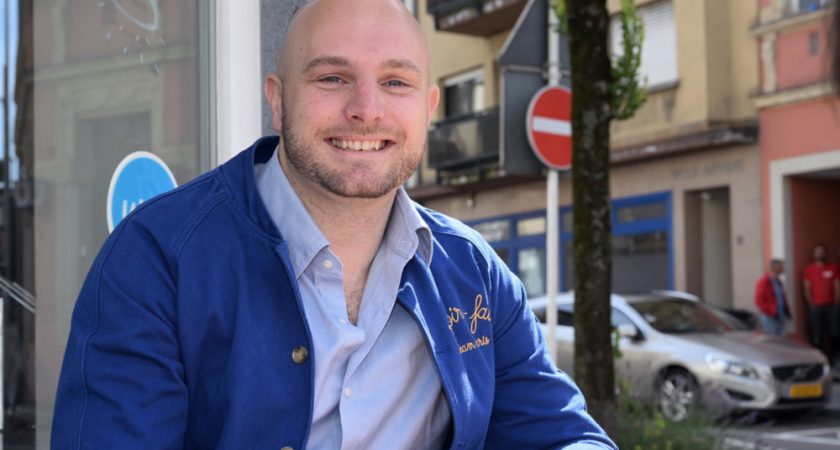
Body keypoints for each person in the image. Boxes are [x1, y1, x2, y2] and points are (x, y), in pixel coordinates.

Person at [50, 0, 616, 448]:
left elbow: (561, 435)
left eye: (396, 82)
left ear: (428, 108)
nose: (367, 108)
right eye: (332, 78)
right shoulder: (156, 259)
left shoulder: (473, 274)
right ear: (278, 101)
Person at [802, 244, 840, 358]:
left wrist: (837, 303)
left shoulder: (834, 267)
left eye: (822, 252)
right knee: (816, 333)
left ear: (826, 254)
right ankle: (819, 357)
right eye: (817, 252)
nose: (820, 254)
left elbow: (837, 285)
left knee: (835, 332)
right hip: (816, 306)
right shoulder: (809, 269)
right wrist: (811, 304)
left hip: (831, 306)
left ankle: (834, 357)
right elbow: (806, 288)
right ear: (814, 254)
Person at [754, 259, 790, 336]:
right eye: (781, 266)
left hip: (780, 316)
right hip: (770, 317)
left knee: (780, 338)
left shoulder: (778, 281)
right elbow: (759, 300)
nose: (783, 268)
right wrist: (770, 311)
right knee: (771, 338)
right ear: (775, 268)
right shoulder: (764, 281)